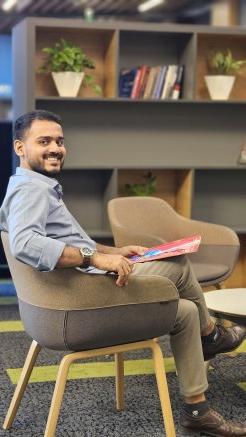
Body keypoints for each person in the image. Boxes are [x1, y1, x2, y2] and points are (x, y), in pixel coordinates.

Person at [0, 110, 245, 437]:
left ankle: (197, 410)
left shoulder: (32, 186)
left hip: (61, 305)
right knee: (177, 265)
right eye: (43, 141)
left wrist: (114, 252)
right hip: (77, 310)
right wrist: (97, 259)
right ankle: (211, 335)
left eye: (59, 141)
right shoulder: (32, 191)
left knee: (184, 311)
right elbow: (26, 244)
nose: (55, 148)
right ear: (20, 148)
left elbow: (67, 243)